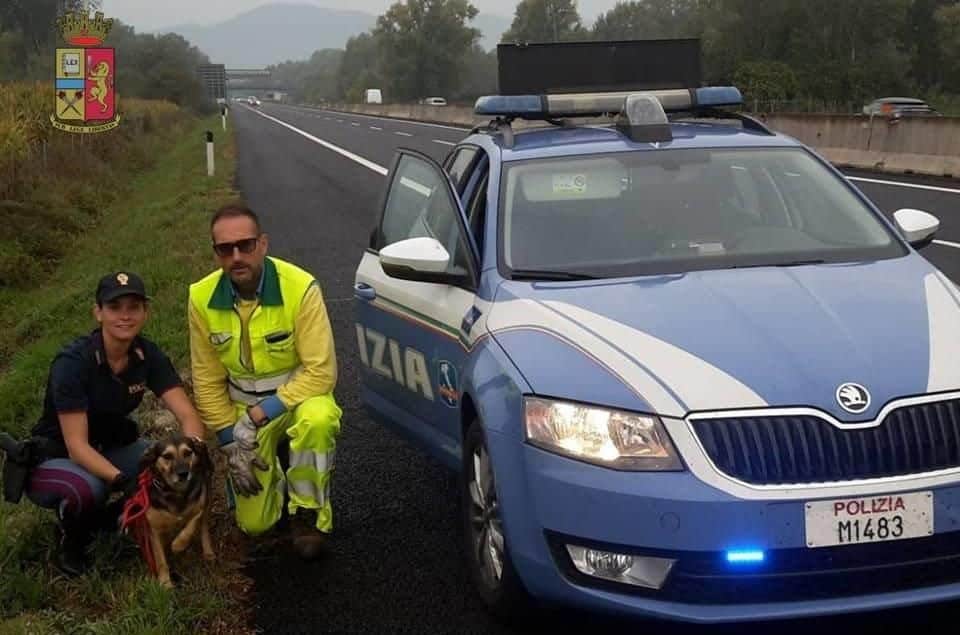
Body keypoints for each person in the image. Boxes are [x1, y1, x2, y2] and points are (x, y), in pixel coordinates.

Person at [25, 271, 208, 576]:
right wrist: (123, 480)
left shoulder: (147, 355)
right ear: (98, 312)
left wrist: (195, 451)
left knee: (158, 463)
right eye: (114, 307)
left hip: (107, 446)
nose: (125, 316)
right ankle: (71, 539)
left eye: (134, 307)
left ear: (145, 313)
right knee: (90, 488)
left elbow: (187, 415)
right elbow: (77, 446)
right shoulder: (73, 363)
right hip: (58, 456)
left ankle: (113, 520)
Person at [187, 203, 341, 559]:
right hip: (241, 412)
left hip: (297, 400)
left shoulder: (300, 287)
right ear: (216, 253)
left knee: (317, 420)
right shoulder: (200, 298)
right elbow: (207, 379)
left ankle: (307, 513)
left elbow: (321, 371)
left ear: (263, 244)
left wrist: (260, 415)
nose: (237, 256)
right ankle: (272, 482)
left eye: (246, 245)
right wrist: (228, 442)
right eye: (225, 249)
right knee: (255, 525)